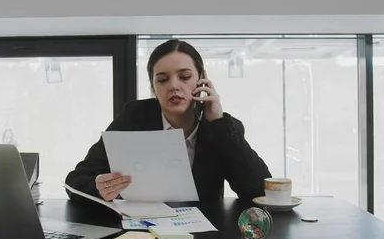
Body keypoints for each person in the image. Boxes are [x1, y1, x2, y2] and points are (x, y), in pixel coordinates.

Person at [64, 39, 272, 202]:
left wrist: (217, 120)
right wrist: (98, 189)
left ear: (202, 79)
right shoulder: (134, 117)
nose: (173, 86)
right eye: (162, 80)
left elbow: (258, 191)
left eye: (184, 77)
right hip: (142, 234)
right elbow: (75, 181)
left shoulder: (223, 127)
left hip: (206, 238)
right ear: (153, 87)